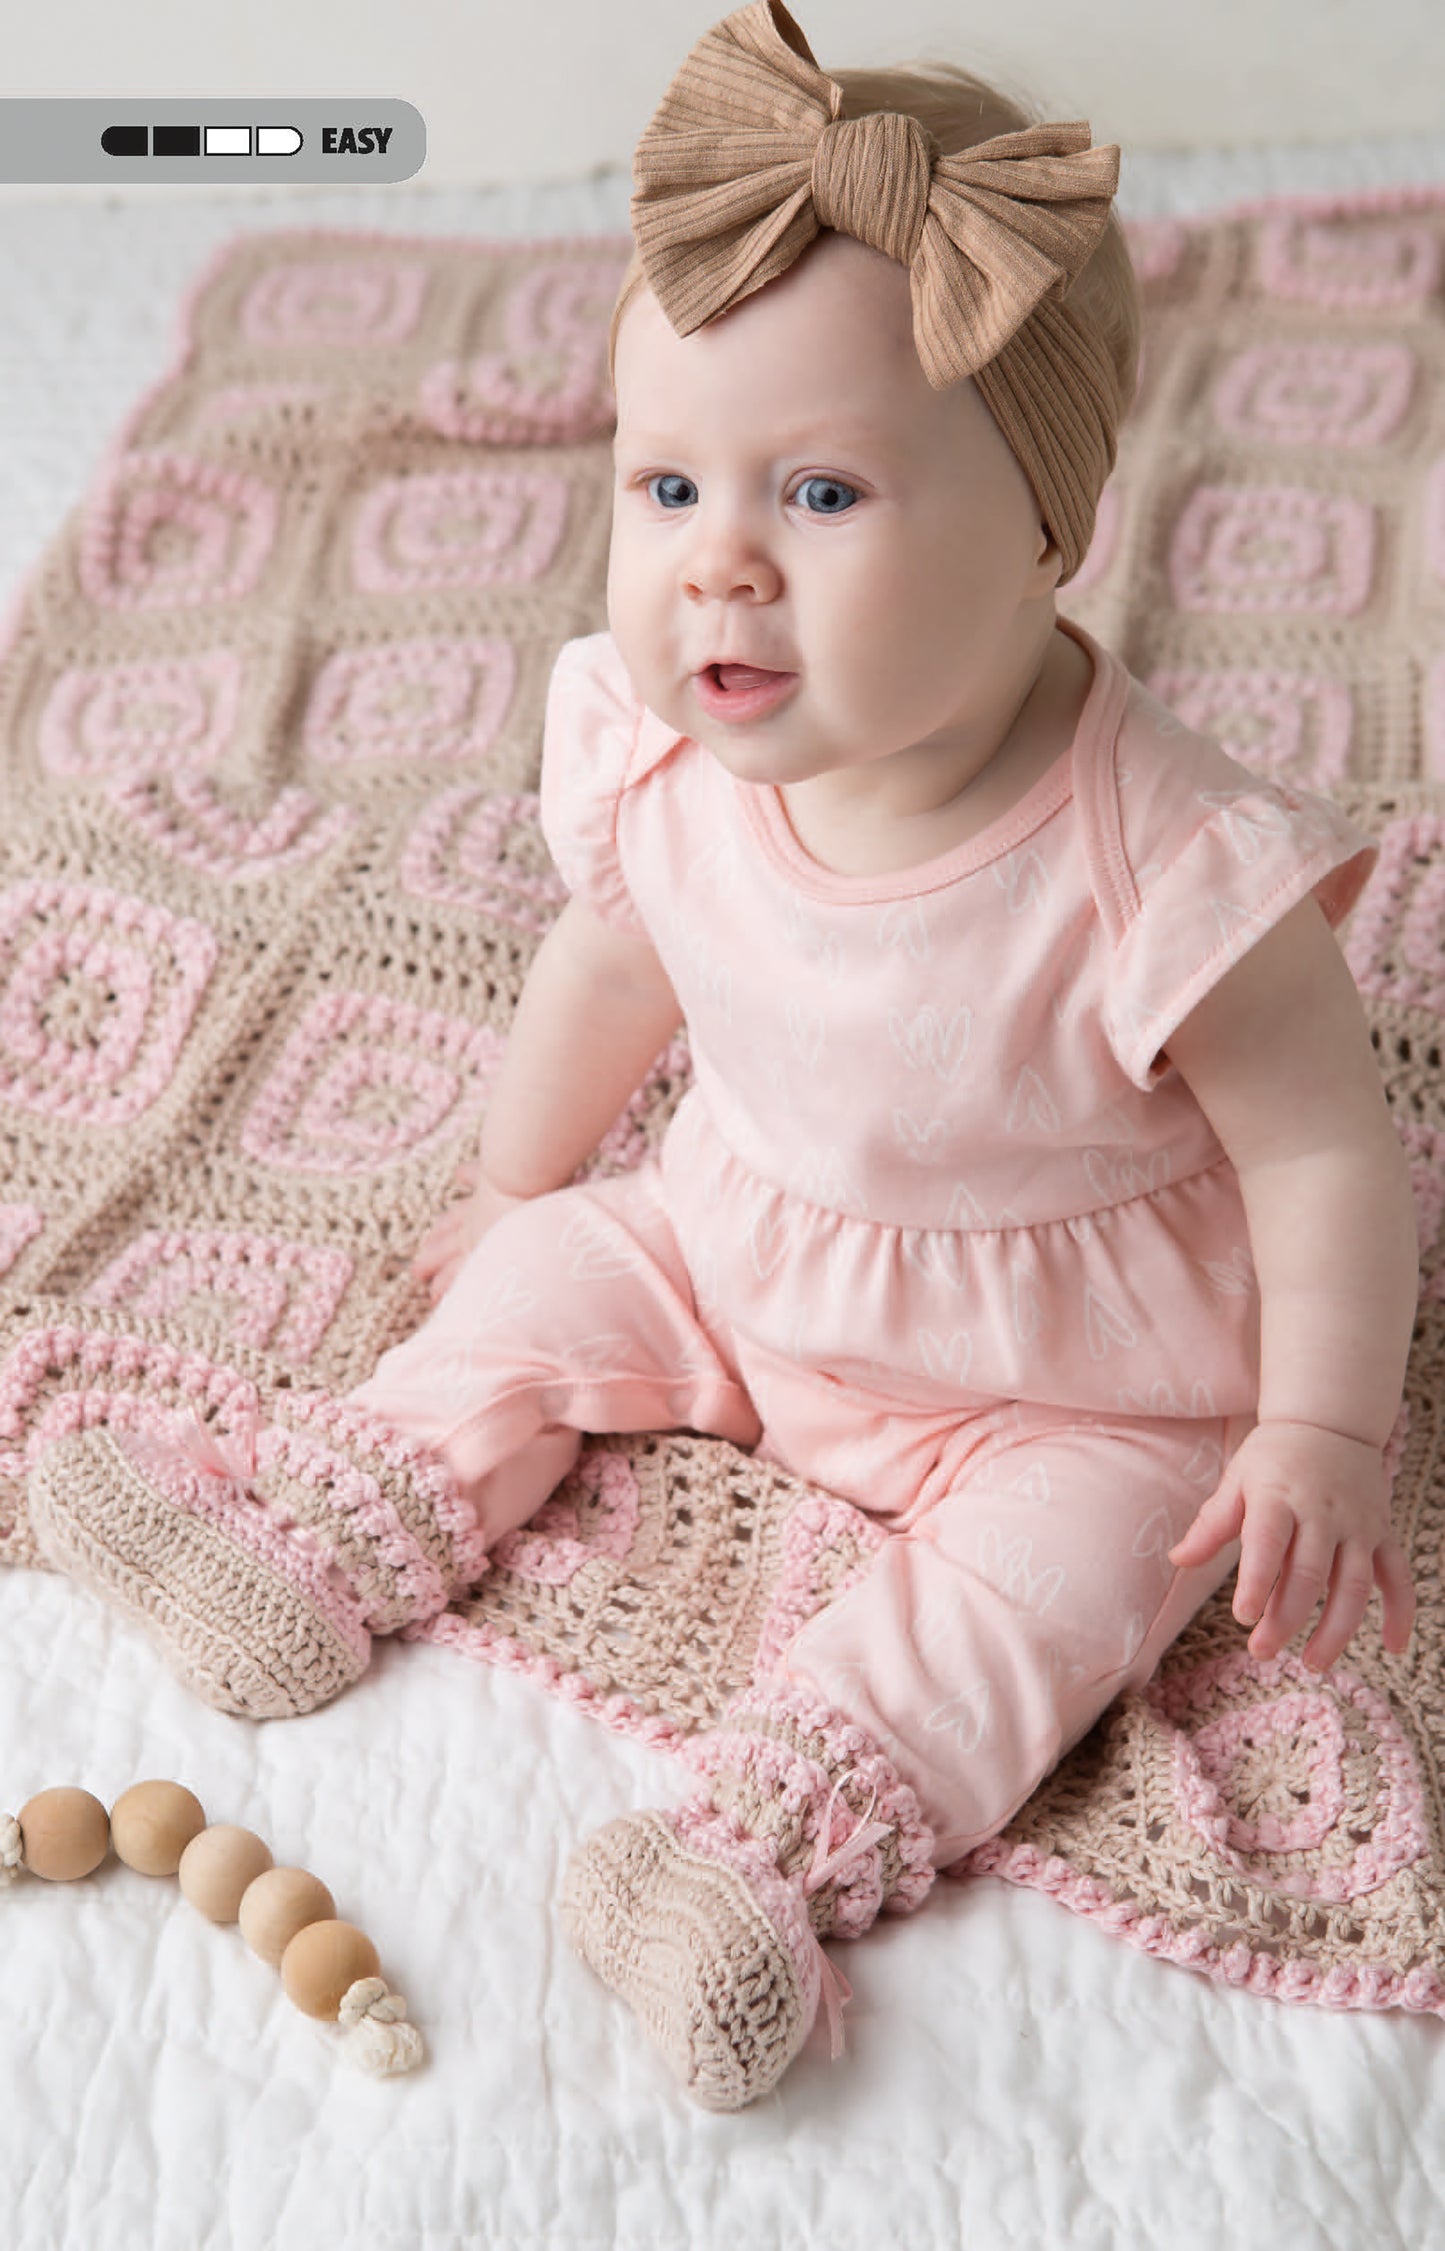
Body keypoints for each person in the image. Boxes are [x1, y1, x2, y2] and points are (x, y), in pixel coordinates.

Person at [28, 0, 1420, 2111]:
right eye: (665, 480)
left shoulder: (1168, 858)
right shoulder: (673, 755)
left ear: (1052, 523)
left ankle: (761, 1837)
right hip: (740, 1233)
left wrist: (1319, 1428)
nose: (718, 561)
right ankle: (334, 1521)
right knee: (551, 1277)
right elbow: (615, 970)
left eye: (824, 488)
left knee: (1063, 1598)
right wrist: (517, 1179)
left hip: (1074, 1383)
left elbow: (1327, 1155)